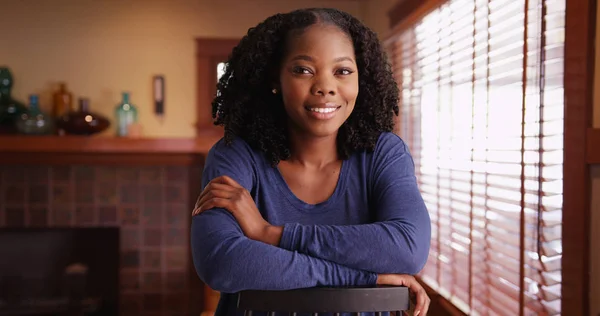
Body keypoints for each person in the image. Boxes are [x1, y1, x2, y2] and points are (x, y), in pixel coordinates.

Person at [190, 7, 432, 316]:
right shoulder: (235, 155)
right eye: (304, 70)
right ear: (275, 78)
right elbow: (223, 263)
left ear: (362, 79)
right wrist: (363, 277)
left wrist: (269, 234)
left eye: (342, 71)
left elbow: (408, 248)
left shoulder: (384, 153)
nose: (325, 86)